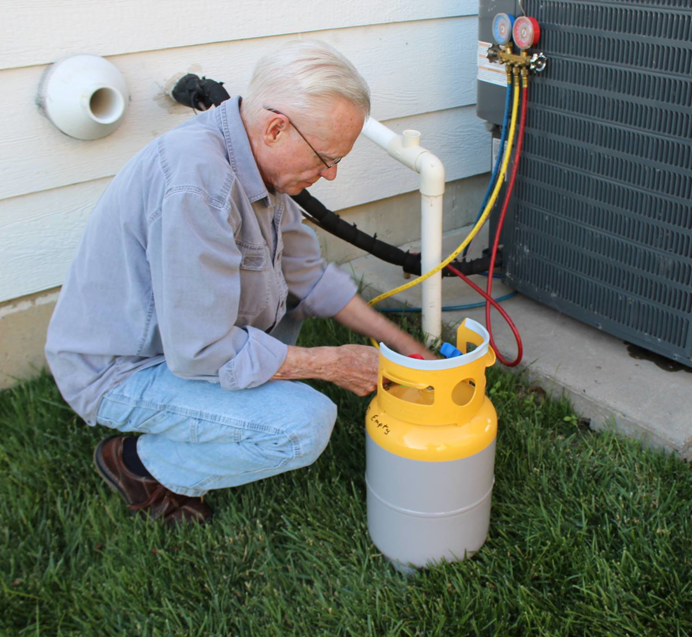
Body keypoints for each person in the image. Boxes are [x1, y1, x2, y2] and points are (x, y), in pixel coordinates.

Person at [45, 40, 433, 525]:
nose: (330, 176)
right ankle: (140, 465)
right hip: (124, 369)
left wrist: (407, 350)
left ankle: (195, 423)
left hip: (180, 343)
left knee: (287, 304)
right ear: (276, 128)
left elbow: (307, 276)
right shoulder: (199, 185)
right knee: (302, 425)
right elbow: (201, 349)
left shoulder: (253, 158)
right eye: (326, 157)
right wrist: (333, 364)